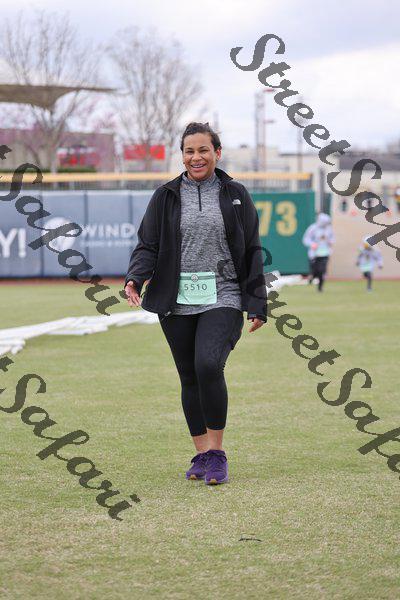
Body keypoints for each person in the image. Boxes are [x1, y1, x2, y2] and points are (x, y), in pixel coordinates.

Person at [124, 122, 267, 485]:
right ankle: (201, 454)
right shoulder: (165, 196)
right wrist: (135, 278)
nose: (196, 157)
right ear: (182, 155)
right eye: (189, 151)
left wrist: (257, 302)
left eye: (203, 150)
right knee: (189, 375)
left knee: (208, 364)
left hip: (224, 294)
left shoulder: (235, 194)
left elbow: (252, 249)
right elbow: (148, 245)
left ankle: (217, 453)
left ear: (217, 153)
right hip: (176, 300)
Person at [302, 212, 335, 292]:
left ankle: (320, 287)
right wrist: (312, 244)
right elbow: (306, 239)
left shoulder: (329, 229)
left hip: (325, 253)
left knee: (322, 270)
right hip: (314, 253)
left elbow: (332, 239)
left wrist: (330, 242)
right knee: (315, 270)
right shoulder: (313, 228)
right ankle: (312, 276)